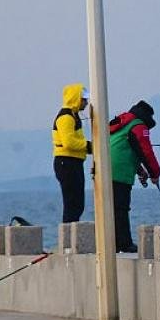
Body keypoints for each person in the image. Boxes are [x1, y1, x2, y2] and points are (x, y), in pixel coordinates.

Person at [109, 100, 160, 253]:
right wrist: (155, 173)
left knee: (112, 208)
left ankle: (112, 243)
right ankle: (124, 244)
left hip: (105, 169)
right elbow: (145, 151)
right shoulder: (138, 126)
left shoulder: (123, 122)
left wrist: (140, 171)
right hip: (120, 171)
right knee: (121, 208)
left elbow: (125, 148)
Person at [52, 83, 92, 223]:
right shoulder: (66, 117)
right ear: (76, 99)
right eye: (84, 99)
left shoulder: (74, 116)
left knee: (77, 203)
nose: (86, 103)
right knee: (72, 203)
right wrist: (88, 147)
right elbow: (69, 142)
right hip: (66, 163)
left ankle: (72, 234)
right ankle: (69, 237)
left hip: (73, 162)